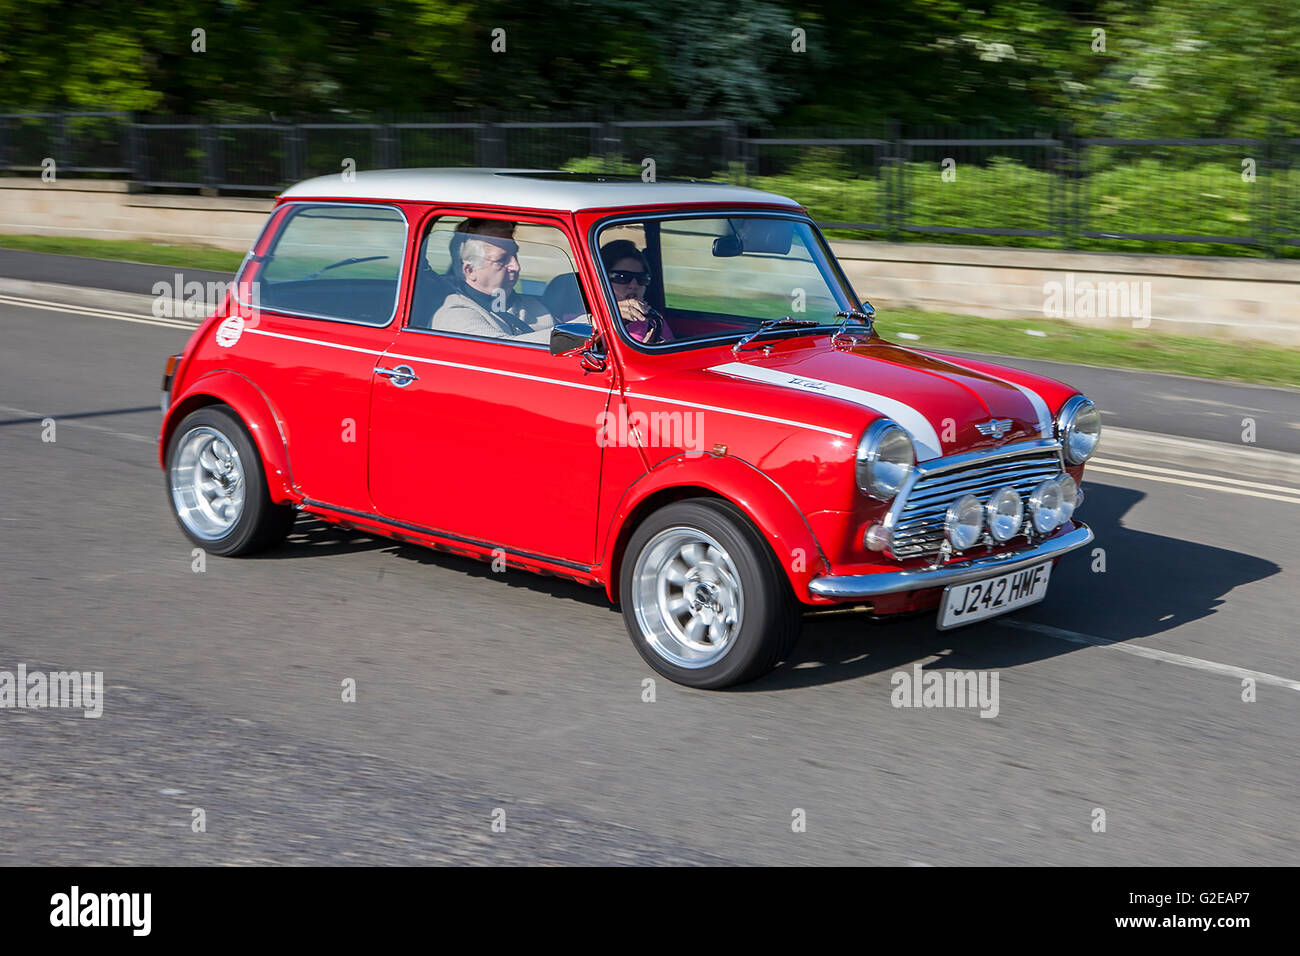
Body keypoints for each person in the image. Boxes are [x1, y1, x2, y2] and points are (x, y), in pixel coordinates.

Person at [431, 219, 556, 338]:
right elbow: (504, 351)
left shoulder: (533, 305)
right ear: (470, 270)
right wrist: (568, 338)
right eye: (501, 260)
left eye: (514, 254)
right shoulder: (455, 315)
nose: (516, 266)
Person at [600, 239, 671, 344]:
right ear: (601, 279)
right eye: (622, 277)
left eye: (642, 278)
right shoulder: (583, 320)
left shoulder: (654, 321)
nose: (634, 285)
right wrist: (605, 318)